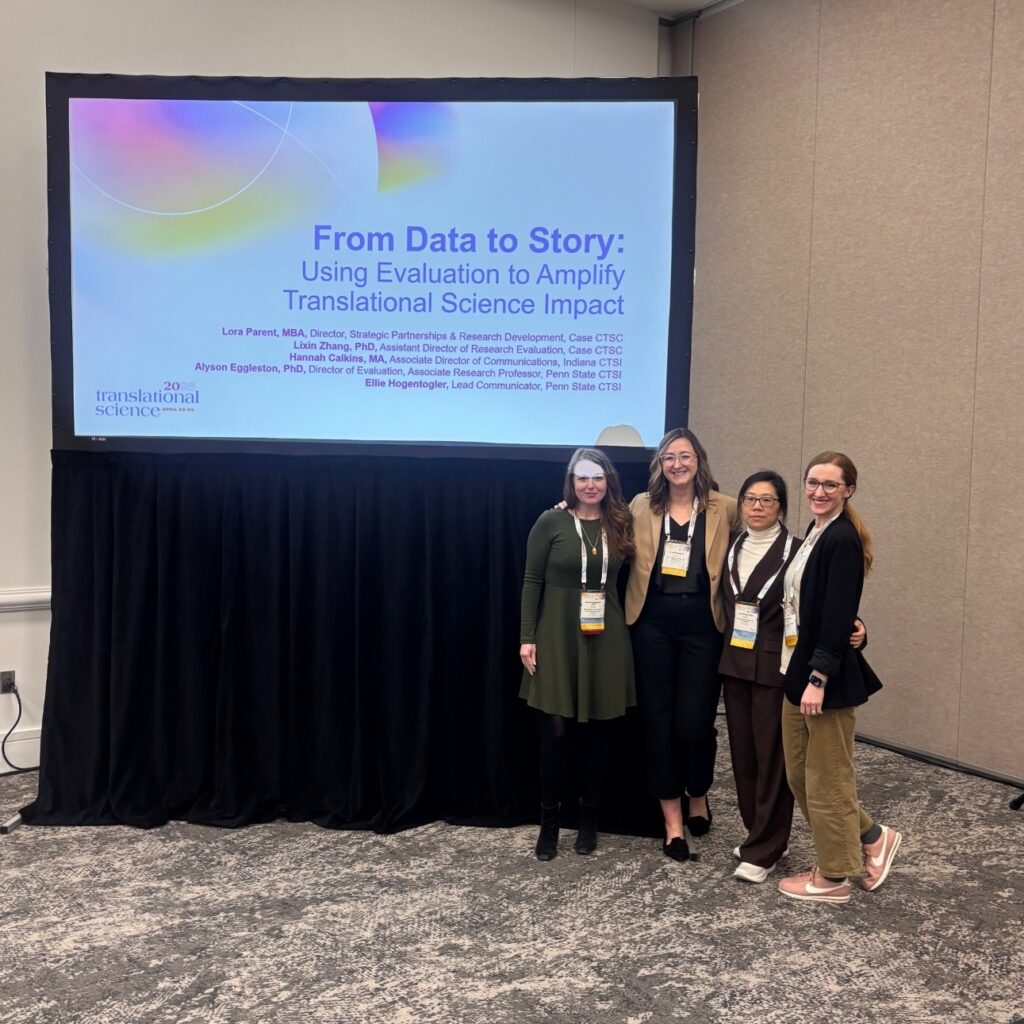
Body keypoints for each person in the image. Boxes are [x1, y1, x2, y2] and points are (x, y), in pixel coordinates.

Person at [720, 470, 866, 884]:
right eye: (750, 499)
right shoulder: (733, 546)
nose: (757, 507)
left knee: (773, 761)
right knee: (744, 758)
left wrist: (858, 630)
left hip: (777, 666)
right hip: (734, 662)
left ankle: (767, 846)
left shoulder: (801, 549)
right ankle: (757, 834)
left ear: (781, 506)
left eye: (767, 500)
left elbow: (826, 604)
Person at [777, 452, 901, 904]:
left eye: (831, 485)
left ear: (848, 489)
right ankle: (872, 836)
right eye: (812, 482)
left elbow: (837, 611)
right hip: (797, 670)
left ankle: (833, 877)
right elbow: (823, 605)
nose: (819, 492)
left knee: (828, 779)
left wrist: (819, 676)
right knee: (799, 776)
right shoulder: (816, 531)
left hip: (819, 681)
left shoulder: (842, 538)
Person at [625, 428, 741, 862]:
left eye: (685, 456)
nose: (677, 463)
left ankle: (698, 791)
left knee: (693, 725)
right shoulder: (641, 504)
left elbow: (761, 548)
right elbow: (603, 528)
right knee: (657, 722)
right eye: (669, 456)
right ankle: (673, 823)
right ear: (660, 464)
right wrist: (566, 510)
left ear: (699, 460)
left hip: (703, 627)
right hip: (650, 624)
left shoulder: (725, 507)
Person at [519, 447, 636, 860]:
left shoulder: (621, 522)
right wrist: (526, 636)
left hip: (605, 636)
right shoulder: (550, 521)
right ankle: (549, 823)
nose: (590, 485)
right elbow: (533, 579)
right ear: (571, 481)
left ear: (609, 482)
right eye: (582, 477)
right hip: (555, 635)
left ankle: (588, 819)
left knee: (597, 736)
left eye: (598, 477)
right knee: (555, 734)